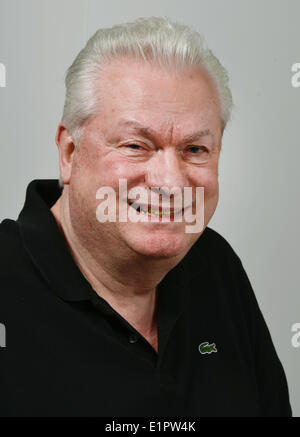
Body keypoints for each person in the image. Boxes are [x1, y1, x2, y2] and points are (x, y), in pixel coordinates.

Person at [0, 16, 292, 417]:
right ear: (69, 153)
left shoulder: (215, 264)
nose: (170, 183)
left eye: (194, 150)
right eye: (136, 145)